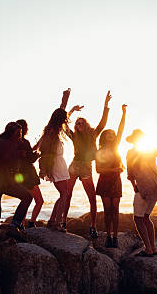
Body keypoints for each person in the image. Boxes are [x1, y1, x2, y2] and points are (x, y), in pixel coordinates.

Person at [62, 90, 112, 239]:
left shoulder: (93, 134)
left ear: (86, 124)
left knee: (92, 198)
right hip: (74, 166)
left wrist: (106, 105)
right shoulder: (73, 136)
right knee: (67, 195)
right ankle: (63, 222)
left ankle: (93, 226)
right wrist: (70, 111)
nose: (79, 124)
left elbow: (103, 123)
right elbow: (64, 124)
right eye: (77, 123)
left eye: (81, 122)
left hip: (86, 168)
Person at [0, 122, 33, 254]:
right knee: (27, 197)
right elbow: (10, 164)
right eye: (18, 134)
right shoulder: (8, 144)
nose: (20, 137)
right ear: (11, 133)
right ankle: (14, 225)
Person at [34, 88, 81, 232]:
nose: (66, 120)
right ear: (60, 119)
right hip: (55, 164)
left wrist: (65, 98)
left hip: (59, 164)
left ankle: (53, 221)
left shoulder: (53, 127)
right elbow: (40, 144)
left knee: (64, 194)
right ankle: (56, 223)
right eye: (64, 118)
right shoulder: (52, 130)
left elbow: (61, 111)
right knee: (64, 194)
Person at [126, 129, 157, 256]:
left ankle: (148, 249)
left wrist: (135, 186)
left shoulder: (131, 152)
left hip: (144, 186)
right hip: (156, 186)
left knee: (138, 219)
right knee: (146, 217)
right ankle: (153, 248)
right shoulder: (151, 151)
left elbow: (130, 174)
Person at [95, 104, 127, 248]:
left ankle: (115, 237)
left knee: (116, 209)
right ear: (104, 137)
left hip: (115, 181)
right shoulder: (99, 151)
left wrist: (124, 113)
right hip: (105, 181)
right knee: (107, 210)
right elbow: (98, 169)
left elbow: (121, 129)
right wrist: (115, 169)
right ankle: (108, 236)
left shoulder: (116, 148)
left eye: (113, 135)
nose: (112, 136)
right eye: (109, 134)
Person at [15, 119, 44, 227]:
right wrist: (37, 154)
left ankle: (21, 225)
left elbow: (24, 156)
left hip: (20, 176)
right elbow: (30, 159)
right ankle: (31, 223)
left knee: (26, 201)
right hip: (29, 175)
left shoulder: (13, 144)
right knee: (39, 201)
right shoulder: (24, 142)